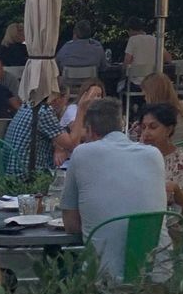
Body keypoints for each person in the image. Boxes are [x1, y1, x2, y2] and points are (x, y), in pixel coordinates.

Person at [61, 97, 171, 281]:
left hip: (105, 280)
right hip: (158, 276)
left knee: (65, 271)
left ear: (91, 131)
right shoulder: (153, 155)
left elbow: (71, 226)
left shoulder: (82, 153)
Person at [138, 100, 183, 246]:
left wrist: (176, 191)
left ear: (169, 130)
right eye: (143, 128)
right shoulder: (137, 156)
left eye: (153, 127)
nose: (146, 133)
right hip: (140, 221)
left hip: (172, 226)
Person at [2, 92, 64, 176]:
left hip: (10, 171)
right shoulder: (43, 111)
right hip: (26, 176)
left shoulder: (25, 106)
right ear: (58, 99)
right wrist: (81, 110)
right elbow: (71, 144)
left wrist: (58, 147)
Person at [134, 72, 183, 142]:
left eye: (146, 95)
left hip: (166, 151)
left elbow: (151, 141)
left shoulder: (158, 115)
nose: (145, 99)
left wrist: (143, 131)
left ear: (152, 95)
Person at [54, 82, 102, 165]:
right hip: (68, 155)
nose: (97, 99)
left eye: (99, 95)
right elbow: (78, 132)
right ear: (84, 95)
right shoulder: (73, 109)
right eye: (93, 95)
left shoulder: (100, 113)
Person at [122, 19, 158, 85]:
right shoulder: (154, 39)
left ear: (130, 30)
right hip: (153, 82)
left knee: (119, 84)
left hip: (136, 83)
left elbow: (127, 60)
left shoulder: (132, 40)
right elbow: (168, 58)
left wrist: (123, 69)